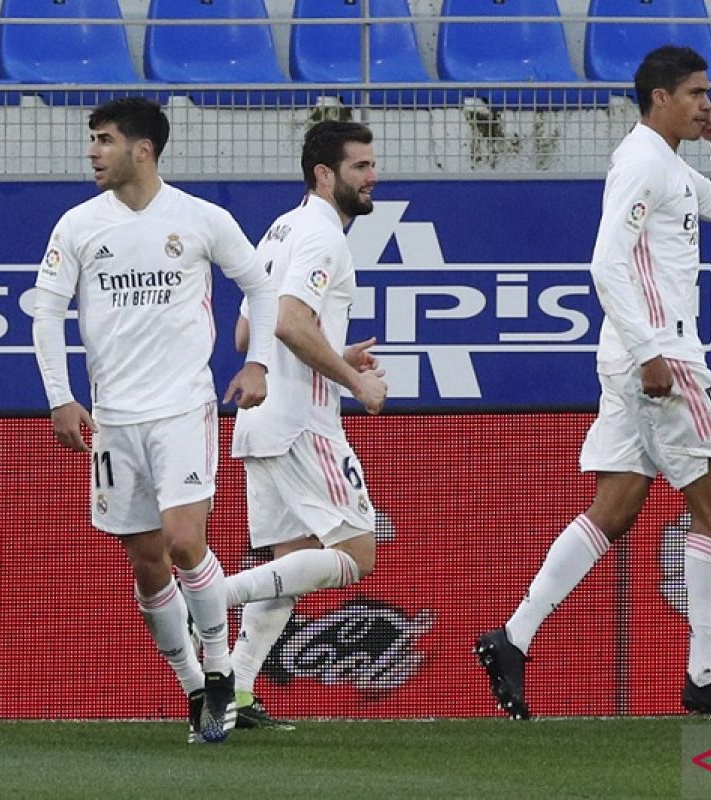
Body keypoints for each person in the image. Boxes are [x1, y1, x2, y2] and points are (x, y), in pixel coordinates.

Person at [474, 45, 711, 720]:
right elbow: (605, 262)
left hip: (635, 357)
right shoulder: (644, 162)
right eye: (696, 93)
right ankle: (705, 673)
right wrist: (649, 351)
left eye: (708, 92)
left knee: (614, 507)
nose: (707, 103)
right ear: (660, 98)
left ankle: (513, 636)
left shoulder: (664, 160)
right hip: (661, 357)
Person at [31, 97, 278, 744]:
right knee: (146, 561)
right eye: (92, 140)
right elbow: (46, 312)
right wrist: (60, 395)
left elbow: (261, 286)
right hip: (114, 419)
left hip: (182, 407)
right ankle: (195, 688)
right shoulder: (78, 226)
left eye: (104, 140)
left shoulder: (200, 219)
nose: (93, 151)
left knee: (183, 540)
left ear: (143, 149)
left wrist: (259, 365)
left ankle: (222, 672)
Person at [220, 120, 387, 727]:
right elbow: (289, 323)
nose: (373, 176)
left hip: (263, 425)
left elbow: (247, 333)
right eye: (361, 167)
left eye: (372, 165)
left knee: (287, 566)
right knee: (357, 552)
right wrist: (354, 380)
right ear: (325, 174)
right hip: (302, 423)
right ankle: (214, 595)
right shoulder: (321, 235)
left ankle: (232, 693)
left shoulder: (278, 230)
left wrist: (337, 353)